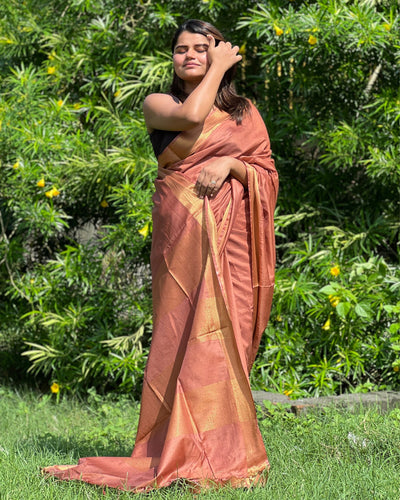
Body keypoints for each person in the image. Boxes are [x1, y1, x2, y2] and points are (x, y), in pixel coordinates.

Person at [42, 19, 278, 492]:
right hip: (183, 234)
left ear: (216, 53)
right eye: (181, 50)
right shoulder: (158, 103)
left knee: (227, 331)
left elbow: (264, 170)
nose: (189, 55)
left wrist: (230, 162)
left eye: (201, 48)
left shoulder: (244, 112)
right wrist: (221, 64)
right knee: (182, 334)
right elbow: (192, 117)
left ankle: (219, 452)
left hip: (232, 239)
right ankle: (182, 451)